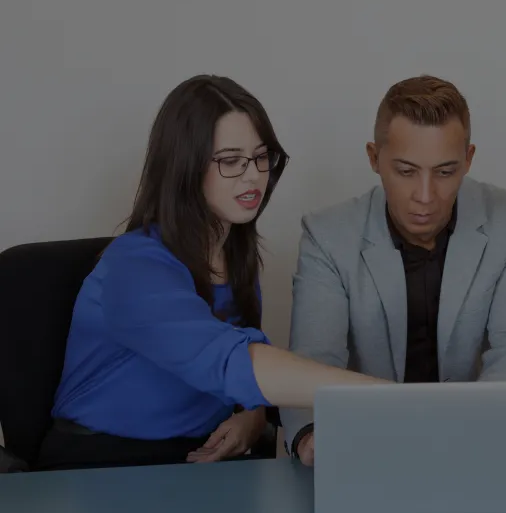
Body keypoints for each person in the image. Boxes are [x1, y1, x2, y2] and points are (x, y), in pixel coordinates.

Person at [35, 75, 387, 472]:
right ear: (185, 168)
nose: (253, 175)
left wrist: (252, 415)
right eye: (231, 161)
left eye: (260, 157)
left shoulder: (234, 254)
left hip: (198, 462)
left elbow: (236, 366)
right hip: (102, 465)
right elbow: (224, 361)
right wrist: (384, 397)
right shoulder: (132, 267)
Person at [279, 75, 506, 465]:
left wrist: (471, 431)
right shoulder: (327, 235)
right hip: (362, 448)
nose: (425, 197)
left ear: (468, 160)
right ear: (374, 158)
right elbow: (312, 361)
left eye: (445, 172)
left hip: (474, 444)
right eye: (406, 171)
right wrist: (309, 434)